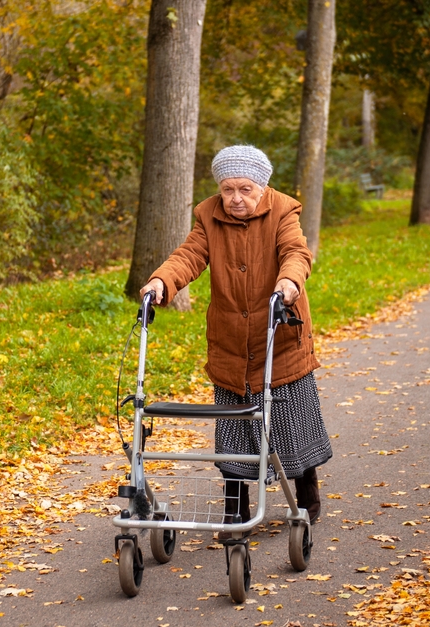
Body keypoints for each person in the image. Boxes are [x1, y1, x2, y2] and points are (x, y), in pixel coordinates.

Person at [139, 145, 332, 530]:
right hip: (230, 341)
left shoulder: (283, 211)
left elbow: (296, 251)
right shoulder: (209, 216)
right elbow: (189, 255)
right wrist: (163, 279)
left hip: (279, 332)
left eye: (245, 189)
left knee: (291, 419)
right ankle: (235, 506)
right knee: (232, 426)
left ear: (262, 187)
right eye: (228, 190)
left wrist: (289, 281)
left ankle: (306, 493)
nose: (236, 199)